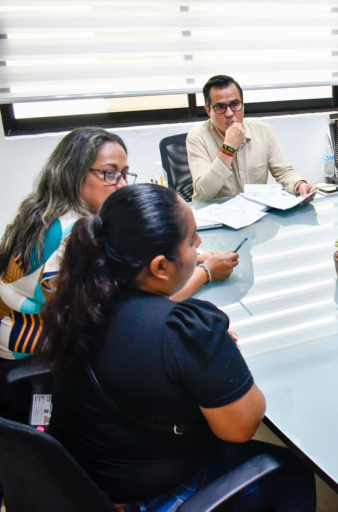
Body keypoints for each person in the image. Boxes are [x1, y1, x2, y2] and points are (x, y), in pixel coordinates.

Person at [44, 184, 315, 511]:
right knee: (291, 468)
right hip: (146, 494)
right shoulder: (182, 331)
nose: (199, 245)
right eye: (191, 240)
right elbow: (242, 426)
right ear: (160, 267)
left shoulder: (79, 302)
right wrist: (224, 358)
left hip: (79, 482)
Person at [0, 128, 237, 362]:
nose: (122, 185)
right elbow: (132, 313)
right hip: (32, 344)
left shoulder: (45, 211)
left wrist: (192, 257)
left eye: (124, 174)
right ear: (75, 174)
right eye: (110, 174)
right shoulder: (76, 233)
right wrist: (206, 273)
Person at [187, 75, 317, 202]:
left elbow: (283, 172)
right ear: (208, 111)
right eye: (220, 107)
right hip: (215, 218)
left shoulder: (263, 131)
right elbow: (205, 193)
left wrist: (300, 185)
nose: (229, 113)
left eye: (235, 104)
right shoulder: (197, 138)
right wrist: (228, 149)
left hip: (255, 214)